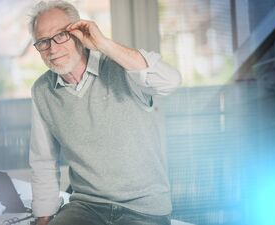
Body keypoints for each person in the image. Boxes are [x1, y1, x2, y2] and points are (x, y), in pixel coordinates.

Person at [28, 1, 181, 225]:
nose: (52, 48)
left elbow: (171, 81)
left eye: (60, 35)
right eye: (43, 42)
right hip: (86, 207)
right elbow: (43, 161)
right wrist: (43, 220)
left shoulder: (123, 67)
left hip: (144, 208)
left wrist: (103, 44)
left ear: (79, 33)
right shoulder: (42, 91)